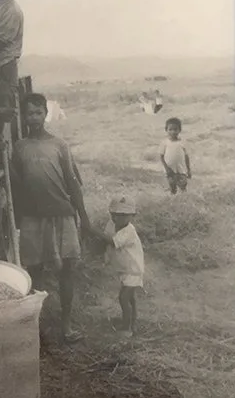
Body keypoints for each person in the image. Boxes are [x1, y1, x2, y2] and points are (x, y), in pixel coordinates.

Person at [11, 92, 94, 346]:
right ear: (23, 117)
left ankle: (66, 326)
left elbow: (72, 183)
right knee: (34, 273)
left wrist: (84, 218)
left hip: (62, 215)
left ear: (46, 114)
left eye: (38, 112)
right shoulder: (19, 148)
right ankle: (37, 329)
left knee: (67, 271)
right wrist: (18, 219)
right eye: (29, 113)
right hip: (33, 218)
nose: (33, 118)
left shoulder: (59, 145)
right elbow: (16, 186)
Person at [98, 195, 145, 336]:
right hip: (124, 268)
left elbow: (112, 241)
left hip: (133, 270)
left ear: (132, 216)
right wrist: (105, 257)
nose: (119, 218)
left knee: (124, 298)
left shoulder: (129, 231)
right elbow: (106, 242)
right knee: (129, 298)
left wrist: (92, 231)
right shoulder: (111, 225)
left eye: (124, 215)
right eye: (115, 214)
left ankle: (127, 328)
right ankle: (132, 321)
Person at [159, 117, 192, 193]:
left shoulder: (183, 142)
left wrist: (188, 170)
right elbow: (161, 157)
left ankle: (184, 199)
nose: (173, 132)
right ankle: (172, 198)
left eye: (175, 129)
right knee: (173, 188)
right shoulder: (164, 143)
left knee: (183, 186)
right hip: (170, 169)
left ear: (179, 130)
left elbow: (186, 157)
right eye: (170, 129)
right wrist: (166, 168)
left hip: (181, 169)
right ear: (166, 130)